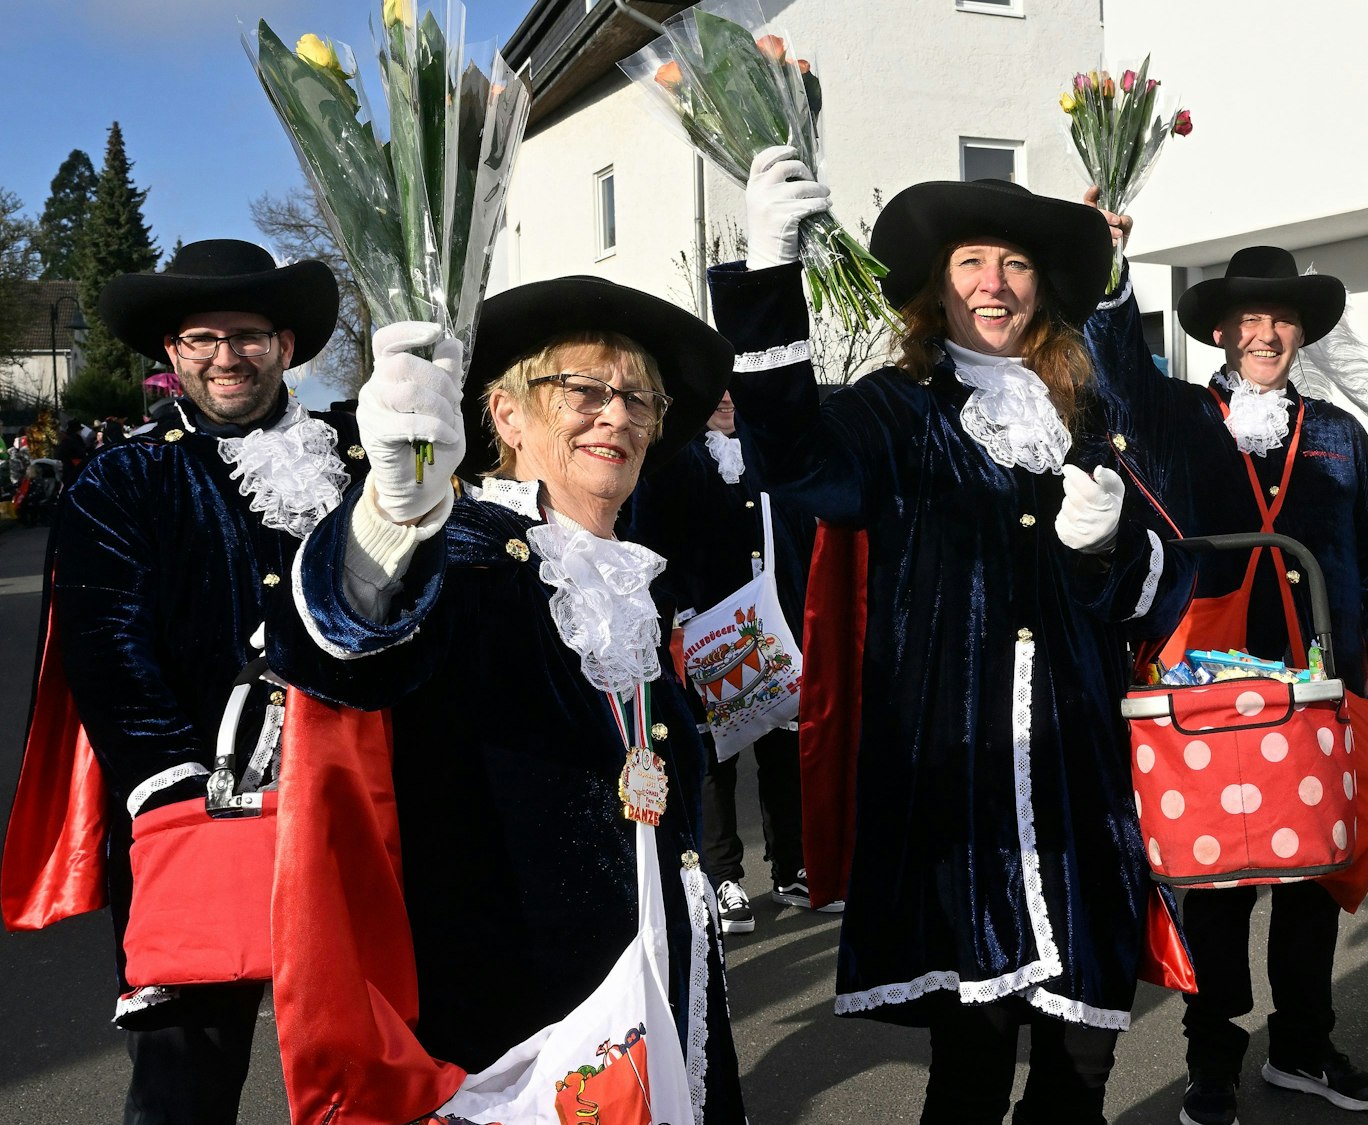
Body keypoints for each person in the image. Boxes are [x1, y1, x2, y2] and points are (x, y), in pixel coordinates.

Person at [706, 148, 1192, 1124]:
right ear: (939, 284)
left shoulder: (1087, 411)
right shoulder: (896, 410)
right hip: (951, 783)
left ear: (1041, 287)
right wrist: (767, 272)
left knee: (1081, 1064)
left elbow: (1161, 593)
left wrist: (1104, 555)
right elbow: (794, 462)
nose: (993, 284)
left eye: (1013, 265)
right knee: (969, 1071)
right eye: (973, 262)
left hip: (1079, 781)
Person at [264, 276, 744, 1122]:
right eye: (583, 389)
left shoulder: (629, 576)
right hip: (516, 1025)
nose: (617, 414)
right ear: (508, 416)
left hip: (655, 994)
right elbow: (335, 650)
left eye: (639, 397)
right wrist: (392, 506)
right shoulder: (468, 556)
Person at [5, 238, 356, 1124]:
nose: (225, 356)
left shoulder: (352, 465)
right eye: (203, 337)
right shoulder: (123, 477)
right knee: (185, 1083)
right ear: (172, 353)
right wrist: (185, 795)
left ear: (285, 344)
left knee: (369, 1059)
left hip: (346, 807)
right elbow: (109, 654)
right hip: (199, 817)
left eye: (246, 335)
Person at [1094, 244, 1368, 1123]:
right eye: (1249, 318)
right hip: (1209, 699)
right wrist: (1110, 264)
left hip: (1322, 695)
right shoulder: (1175, 419)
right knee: (1222, 887)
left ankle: (1304, 1047)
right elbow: (1116, 369)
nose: (1265, 332)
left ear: (1300, 331)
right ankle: (1213, 1059)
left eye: (1281, 318)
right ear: (1221, 331)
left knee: (1314, 879)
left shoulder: (1343, 437)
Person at [625, 387, 828, 933]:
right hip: (709, 630)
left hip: (777, 625)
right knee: (718, 758)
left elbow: (799, 534)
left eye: (736, 386)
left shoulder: (767, 452)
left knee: (782, 750)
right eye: (714, 390)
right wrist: (672, 619)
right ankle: (722, 878)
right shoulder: (674, 460)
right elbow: (651, 542)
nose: (727, 397)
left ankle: (790, 867)